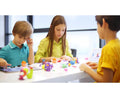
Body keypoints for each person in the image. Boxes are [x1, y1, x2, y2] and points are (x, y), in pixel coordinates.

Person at [80, 16, 120, 82]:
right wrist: (100, 66)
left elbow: (106, 81)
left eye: (97, 25)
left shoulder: (108, 49)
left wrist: (86, 69)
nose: (97, 29)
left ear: (104, 23)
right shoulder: (117, 44)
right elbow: (115, 67)